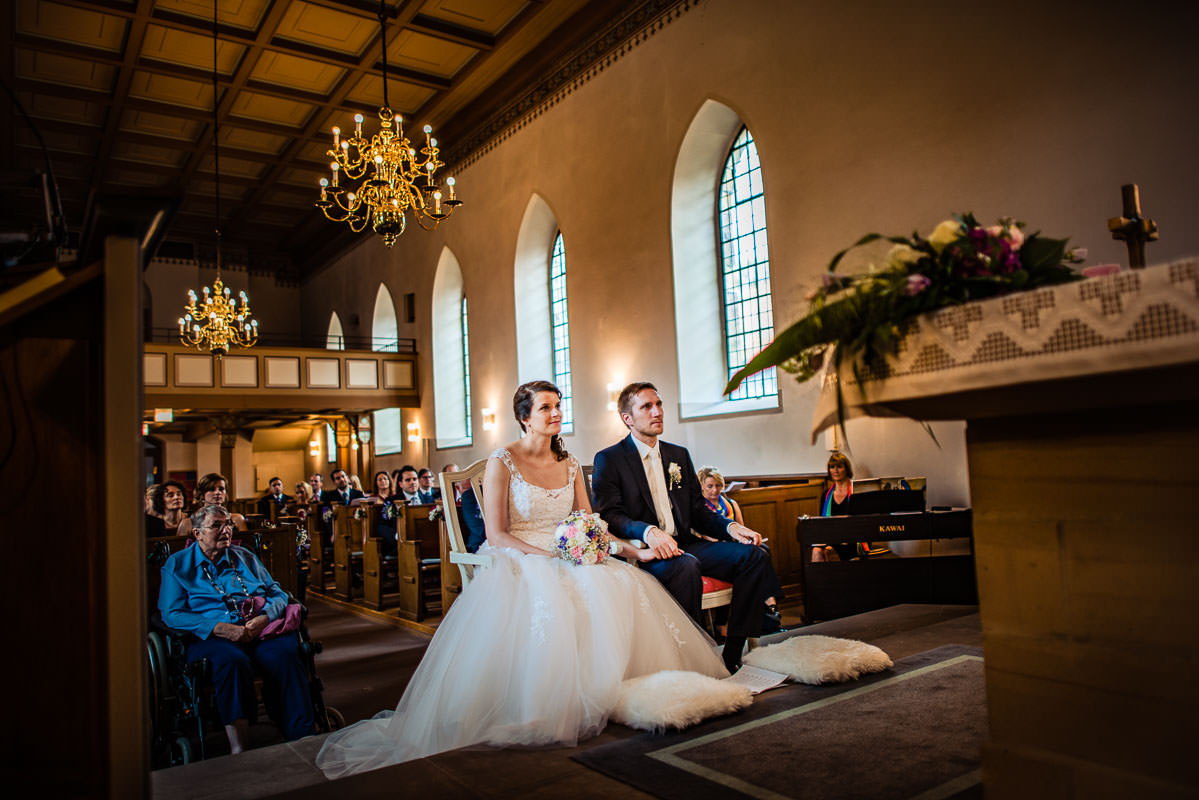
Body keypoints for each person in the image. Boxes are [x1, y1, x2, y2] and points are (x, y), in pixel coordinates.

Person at [315, 381, 725, 778]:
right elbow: (497, 533)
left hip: (569, 549)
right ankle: (557, 702)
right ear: (524, 418)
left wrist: (629, 550)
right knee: (560, 590)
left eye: (558, 406)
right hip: (520, 553)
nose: (555, 413)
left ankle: (622, 694)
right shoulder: (502, 461)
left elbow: (588, 522)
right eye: (545, 407)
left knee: (623, 582)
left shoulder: (569, 463)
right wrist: (551, 554)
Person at [591, 382, 782, 673]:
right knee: (686, 566)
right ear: (627, 418)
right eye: (647, 407)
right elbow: (611, 514)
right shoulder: (610, 459)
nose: (658, 412)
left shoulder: (678, 455)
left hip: (685, 543)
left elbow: (697, 510)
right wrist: (647, 531)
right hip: (646, 554)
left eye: (659, 404)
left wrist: (730, 527)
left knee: (756, 553)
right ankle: (693, 658)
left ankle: (732, 652)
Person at [158, 504, 314, 753]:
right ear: (197, 533)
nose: (226, 530)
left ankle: (302, 734)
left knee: (285, 654)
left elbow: (278, 593)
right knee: (231, 661)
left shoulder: (244, 556)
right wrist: (219, 628)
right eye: (216, 525)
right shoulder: (177, 565)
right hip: (213, 635)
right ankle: (239, 745)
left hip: (259, 629)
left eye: (228, 523)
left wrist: (264, 617)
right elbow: (171, 614)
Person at [697, 465, 782, 635]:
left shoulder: (730, 504)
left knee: (763, 549)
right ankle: (770, 601)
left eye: (718, 486)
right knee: (747, 564)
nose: (715, 490)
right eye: (710, 486)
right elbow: (699, 535)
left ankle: (767, 605)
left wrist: (747, 539)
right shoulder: (699, 508)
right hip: (714, 550)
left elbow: (741, 528)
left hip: (735, 544)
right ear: (701, 487)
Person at [812, 451, 858, 562]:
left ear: (846, 469)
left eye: (839, 467)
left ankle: (836, 579)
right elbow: (822, 522)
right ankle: (819, 580)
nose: (835, 471)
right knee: (816, 551)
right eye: (832, 467)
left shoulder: (856, 492)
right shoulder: (826, 495)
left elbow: (861, 522)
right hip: (831, 536)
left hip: (853, 539)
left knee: (829, 550)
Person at [177, 473, 247, 538]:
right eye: (212, 489)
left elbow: (246, 545)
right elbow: (181, 549)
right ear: (202, 494)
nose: (217, 492)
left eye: (221, 489)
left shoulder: (237, 519)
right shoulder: (187, 523)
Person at [367, 470, 401, 557]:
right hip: (378, 526)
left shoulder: (395, 497)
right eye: (380, 479)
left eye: (385, 479)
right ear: (376, 483)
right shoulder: (372, 498)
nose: (383, 481)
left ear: (389, 481)